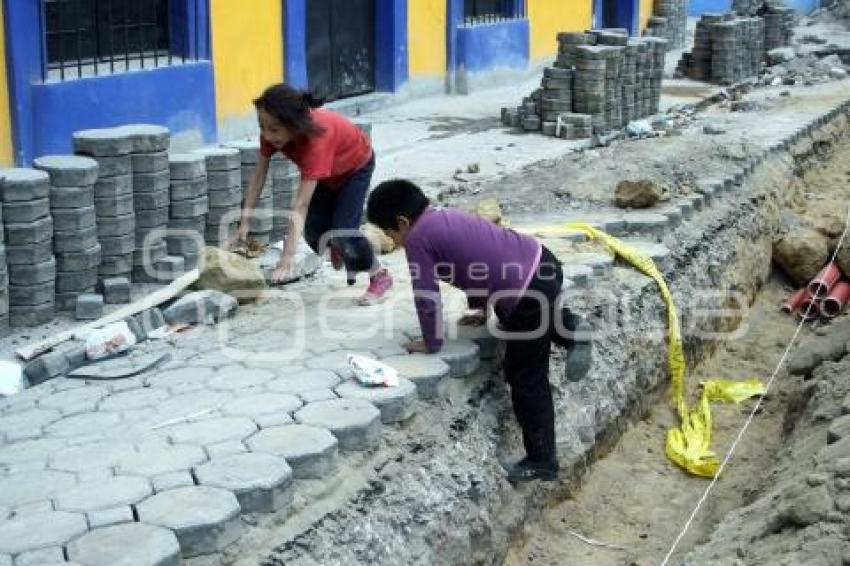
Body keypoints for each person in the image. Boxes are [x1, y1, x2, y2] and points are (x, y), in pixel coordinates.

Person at [366, 179, 592, 483]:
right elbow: (479, 258)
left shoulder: (418, 237)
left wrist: (432, 342)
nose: (396, 241)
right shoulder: (442, 216)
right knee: (525, 320)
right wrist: (481, 307)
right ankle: (571, 329)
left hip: (526, 292)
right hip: (542, 261)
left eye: (392, 234)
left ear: (402, 222)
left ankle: (542, 460)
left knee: (525, 375)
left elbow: (426, 295)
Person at [235, 83, 393, 305]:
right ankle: (338, 246)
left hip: (355, 167)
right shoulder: (271, 131)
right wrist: (244, 222)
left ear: (295, 124)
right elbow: (258, 176)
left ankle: (380, 276)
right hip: (326, 174)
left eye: (274, 129)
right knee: (313, 232)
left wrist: (287, 258)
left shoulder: (316, 139)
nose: (267, 135)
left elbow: (301, 204)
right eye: (263, 127)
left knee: (344, 231)